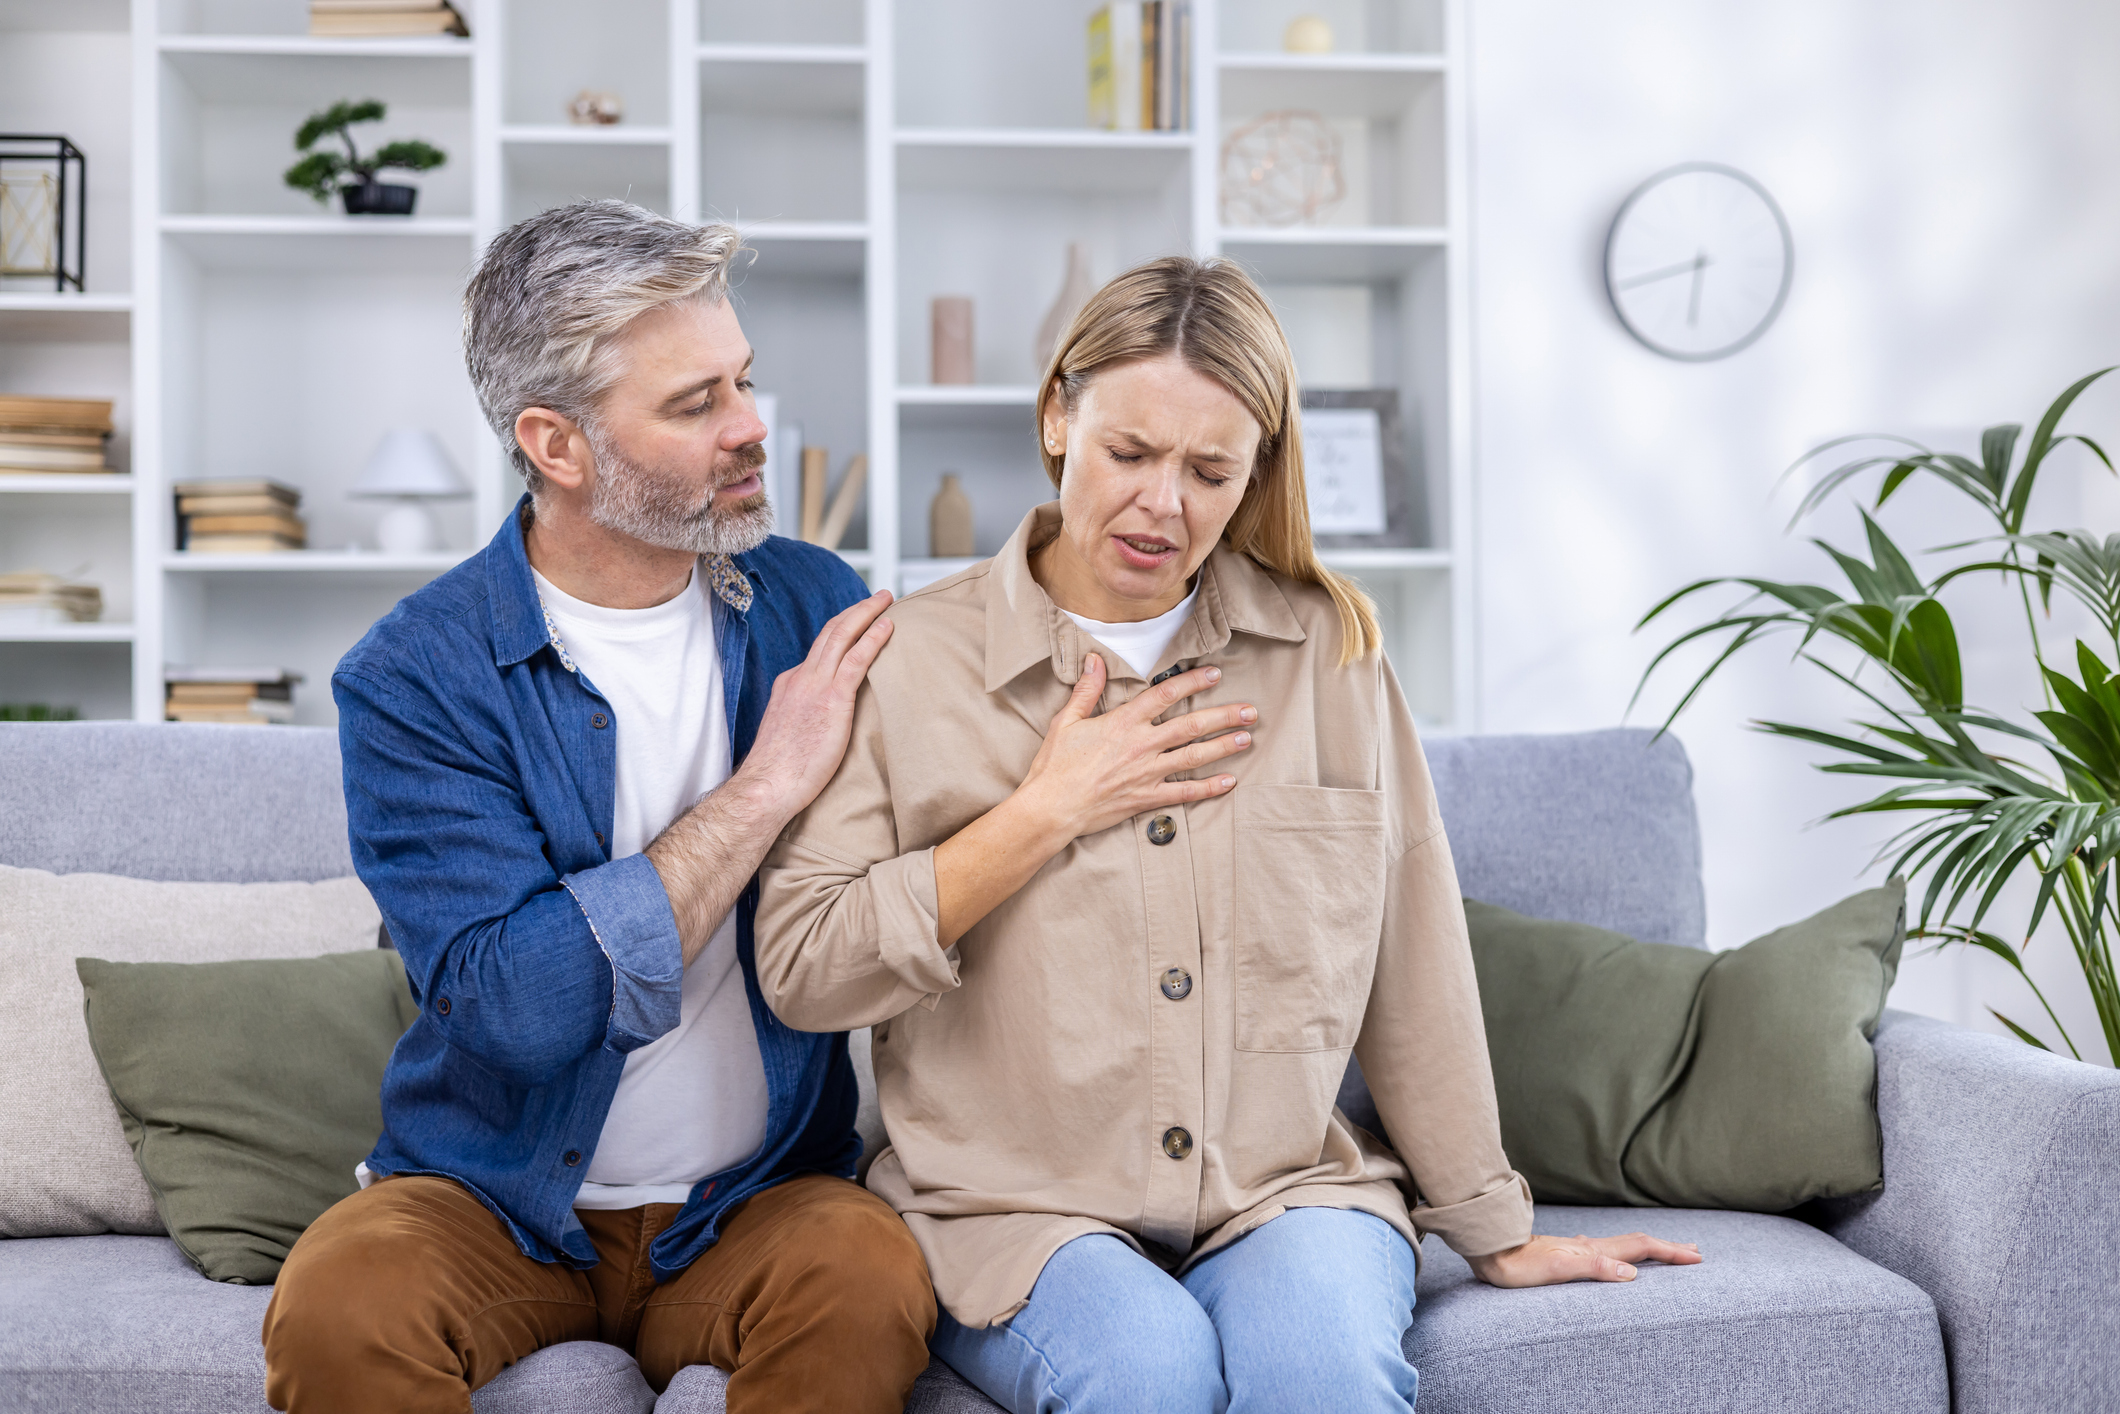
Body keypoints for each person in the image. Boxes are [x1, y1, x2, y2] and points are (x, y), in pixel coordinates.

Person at [753, 256, 1701, 1413]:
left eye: (1209, 470)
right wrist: (1044, 812)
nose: (1164, 504)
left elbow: (1410, 952)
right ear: (1056, 417)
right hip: (1010, 1208)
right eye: (1129, 453)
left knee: (1322, 1375)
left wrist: (1491, 1224)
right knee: (1145, 1373)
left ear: (1255, 468)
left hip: (1282, 1190)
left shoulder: (1329, 653)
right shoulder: (907, 662)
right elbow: (803, 966)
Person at [261, 201, 934, 1414]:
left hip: (759, 1198)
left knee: (867, 1278)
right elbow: (515, 1010)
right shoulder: (415, 675)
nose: (751, 427)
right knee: (336, 1311)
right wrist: (765, 785)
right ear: (555, 445)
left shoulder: (812, 603)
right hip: (491, 1203)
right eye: (695, 403)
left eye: (742, 381)